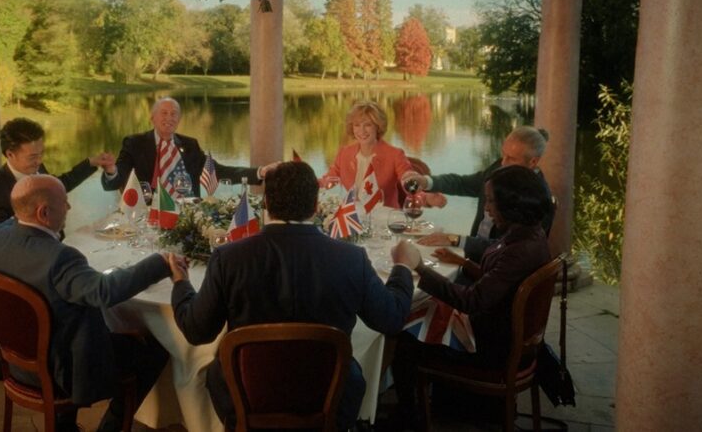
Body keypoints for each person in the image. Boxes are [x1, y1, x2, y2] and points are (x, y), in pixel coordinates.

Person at [169, 161, 418, 431]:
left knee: (217, 370)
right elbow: (391, 318)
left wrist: (181, 282)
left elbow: (197, 331)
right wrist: (402, 266)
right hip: (329, 395)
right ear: (315, 206)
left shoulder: (229, 258)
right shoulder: (350, 259)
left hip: (247, 395)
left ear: (265, 204)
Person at [0, 174, 177, 432]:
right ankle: (111, 427)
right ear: (44, 212)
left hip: (18, 361)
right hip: (63, 370)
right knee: (155, 349)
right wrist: (161, 263)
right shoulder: (59, 258)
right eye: (65, 202)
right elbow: (103, 292)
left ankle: (65, 426)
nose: (69, 208)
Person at [392, 165, 553, 426]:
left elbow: (471, 301)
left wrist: (418, 267)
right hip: (505, 331)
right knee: (427, 307)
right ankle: (433, 402)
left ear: (511, 204)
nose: (486, 209)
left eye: (491, 201)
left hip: (490, 347)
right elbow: (500, 281)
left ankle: (409, 415)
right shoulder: (529, 235)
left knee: (403, 332)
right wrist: (464, 264)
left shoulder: (519, 249)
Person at [406, 126, 554, 263]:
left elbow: (507, 248)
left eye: (511, 158)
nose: (503, 162)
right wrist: (426, 182)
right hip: (472, 256)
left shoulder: (538, 201)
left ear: (533, 162)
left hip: (495, 268)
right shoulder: (500, 169)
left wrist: (454, 239)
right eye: (503, 154)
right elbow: (464, 184)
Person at [101, 97, 270, 198]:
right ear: (152, 117)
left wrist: (259, 172)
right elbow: (115, 181)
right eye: (164, 113)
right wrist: (110, 170)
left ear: (179, 118)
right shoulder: (135, 143)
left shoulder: (190, 145)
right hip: (149, 215)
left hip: (186, 214)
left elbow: (218, 171)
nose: (169, 118)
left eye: (174, 113)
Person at [0, 117, 115, 231]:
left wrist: (91, 163)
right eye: (32, 157)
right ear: (10, 154)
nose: (39, 161)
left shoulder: (36, 167)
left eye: (41, 154)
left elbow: (59, 185)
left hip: (55, 244)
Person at [320, 101, 421, 209]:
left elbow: (409, 180)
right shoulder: (344, 153)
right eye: (357, 125)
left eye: (368, 125)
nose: (361, 131)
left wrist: (423, 195)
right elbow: (327, 181)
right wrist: (305, 184)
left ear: (378, 127)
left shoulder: (395, 154)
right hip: (354, 218)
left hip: (386, 220)